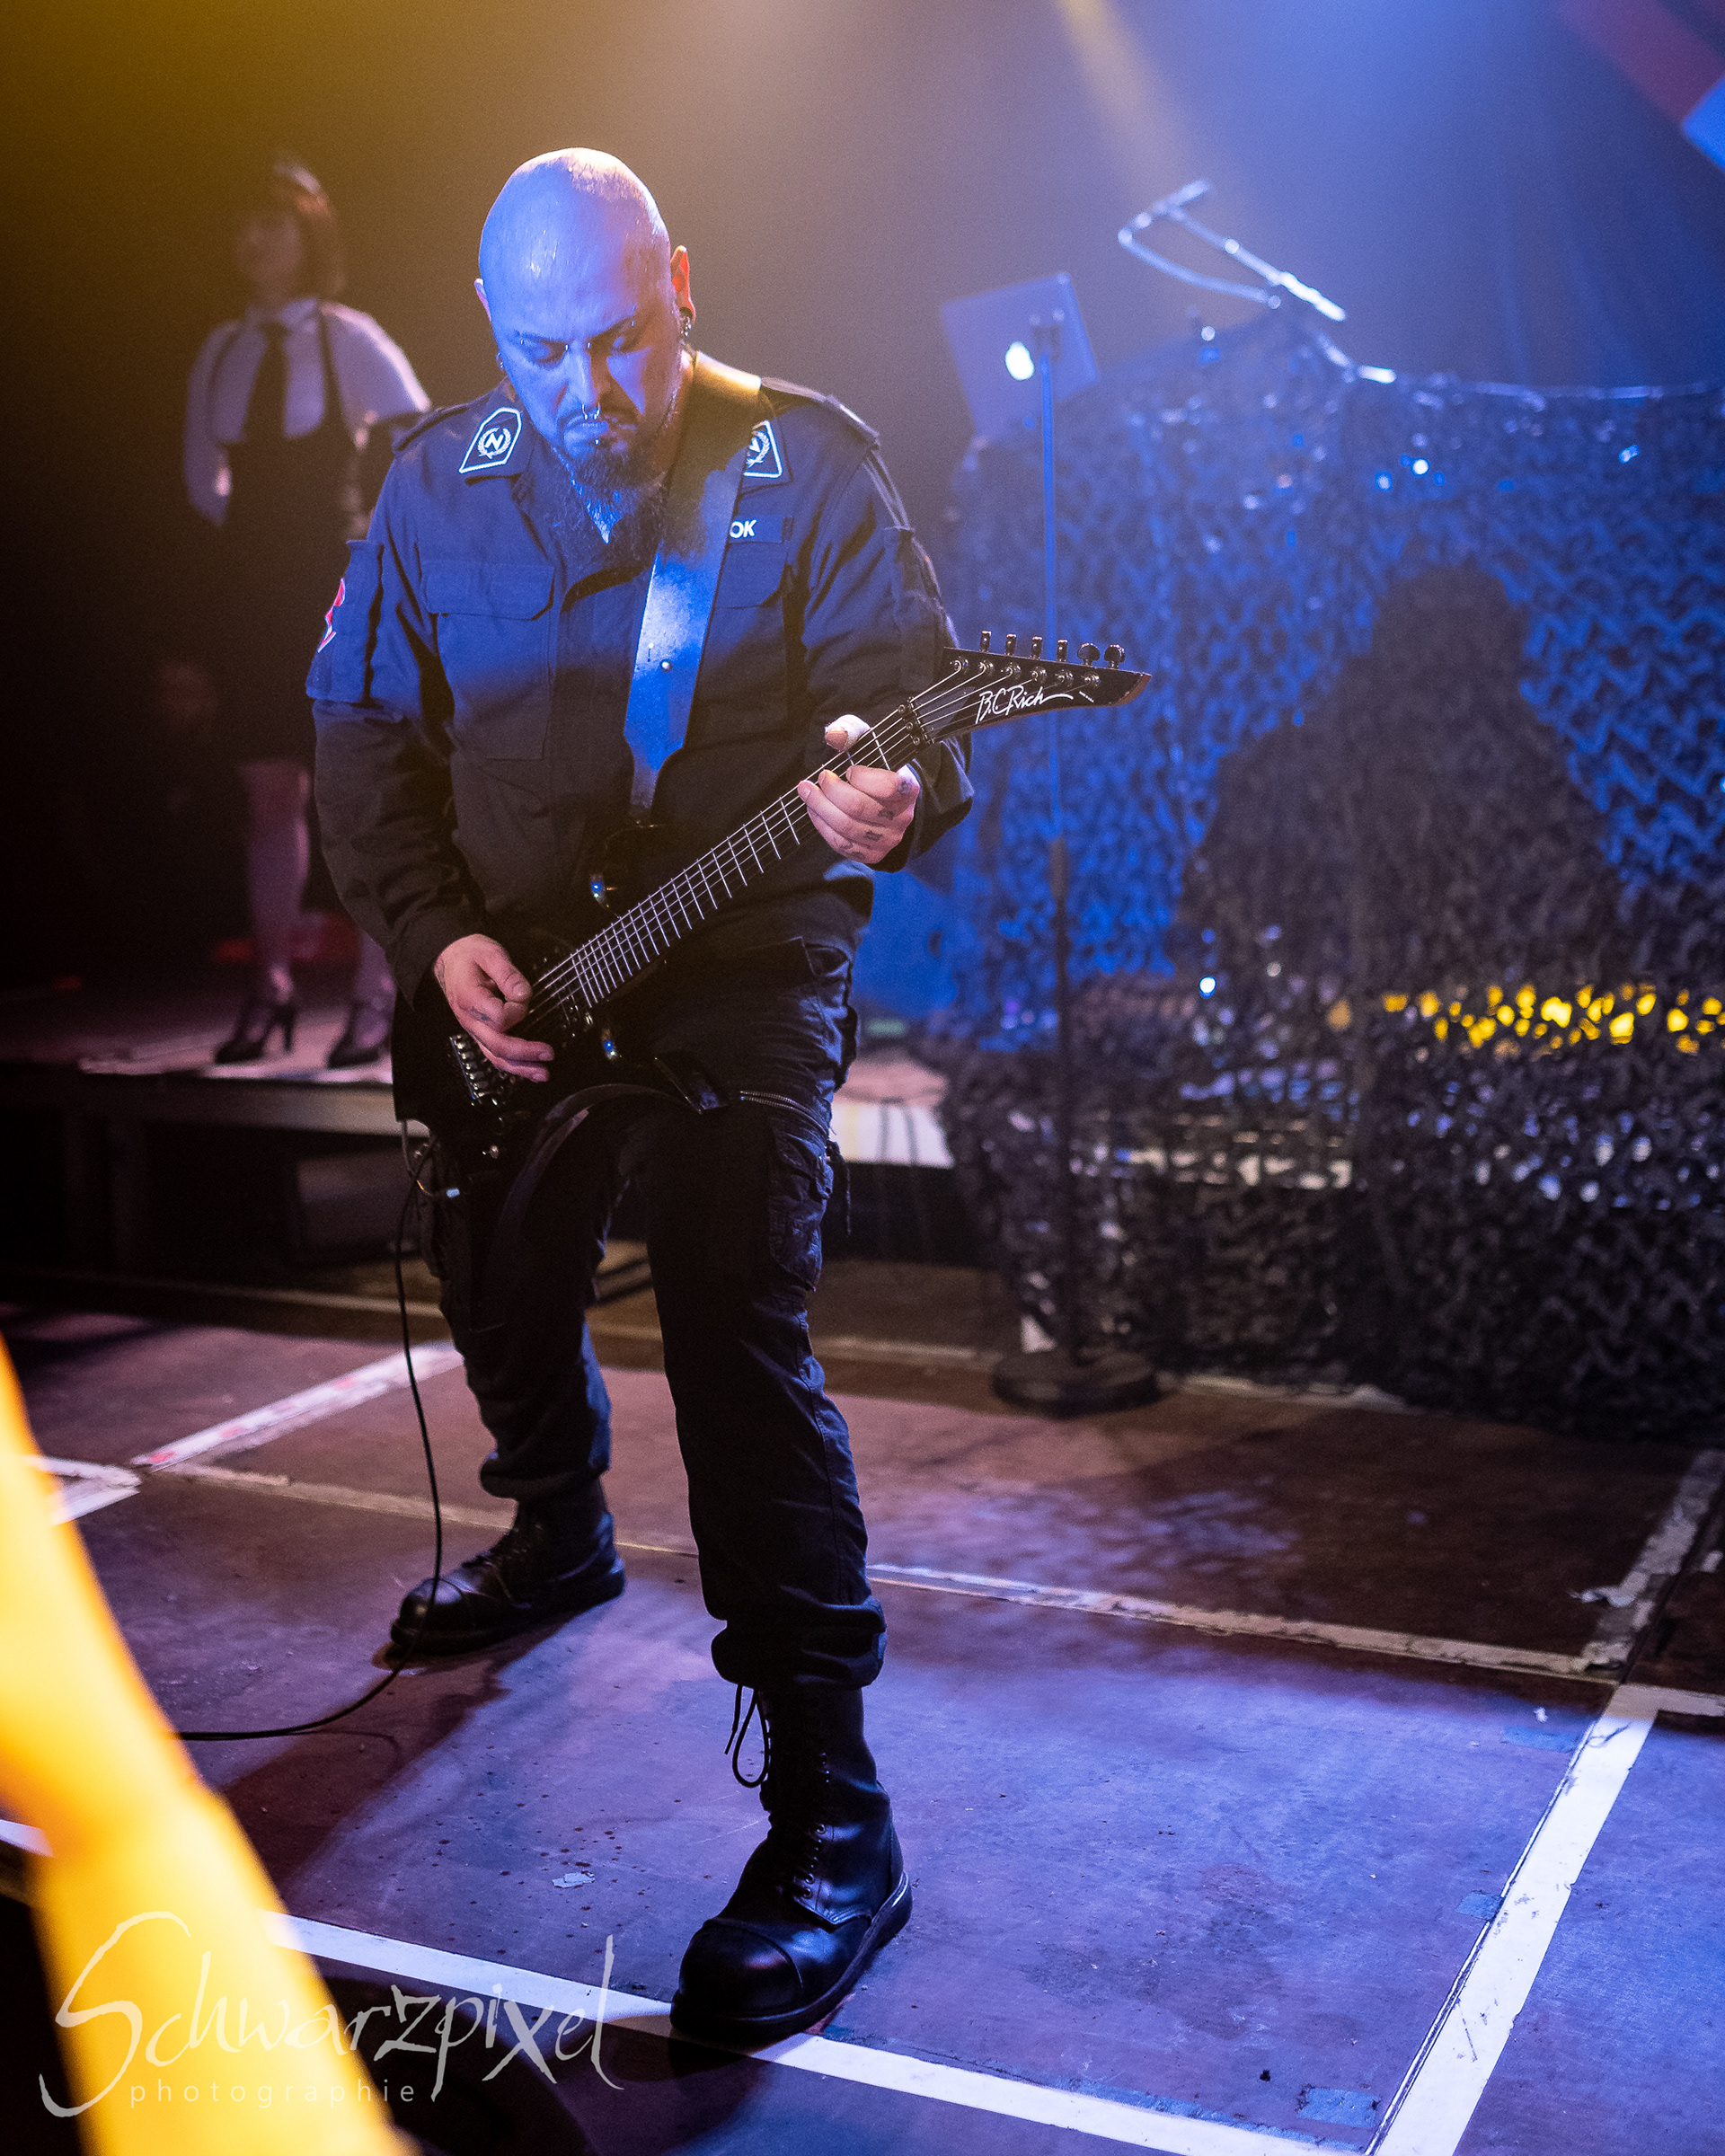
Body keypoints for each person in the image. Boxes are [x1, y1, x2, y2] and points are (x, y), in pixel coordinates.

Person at [309, 149, 970, 2045]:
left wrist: (888, 785)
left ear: (680, 278)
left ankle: (835, 1816)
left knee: (730, 1321)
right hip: (515, 974)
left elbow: (903, 711)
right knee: (486, 1261)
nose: (586, 389)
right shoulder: (431, 482)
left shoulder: (803, 464)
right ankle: (557, 1530)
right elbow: (360, 728)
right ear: (487, 327)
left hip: (742, 967)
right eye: (541, 352)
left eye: (620, 339)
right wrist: (436, 937)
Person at [182, 158, 429, 1065]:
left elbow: (420, 440)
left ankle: (375, 994)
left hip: (338, 585)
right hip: (254, 590)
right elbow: (201, 478)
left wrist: (376, 549)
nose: (255, 241)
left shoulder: (349, 336)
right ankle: (271, 985)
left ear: (310, 235)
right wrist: (248, 564)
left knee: (357, 788)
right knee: (267, 793)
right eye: (244, 225)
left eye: (274, 224)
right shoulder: (222, 347)